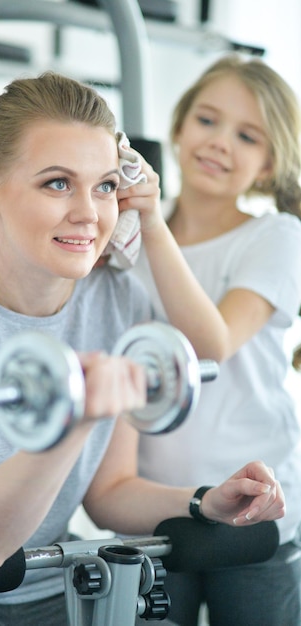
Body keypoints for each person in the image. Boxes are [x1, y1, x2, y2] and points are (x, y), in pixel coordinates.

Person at [0, 71, 284, 625]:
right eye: (56, 183)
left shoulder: (115, 298)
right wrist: (75, 418)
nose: (89, 214)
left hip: (56, 592)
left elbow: (110, 491)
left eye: (102, 186)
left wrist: (201, 501)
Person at [134, 54, 301, 626]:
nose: (219, 142)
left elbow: (213, 343)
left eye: (246, 135)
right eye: (206, 120)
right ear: (178, 127)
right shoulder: (121, 237)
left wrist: (152, 226)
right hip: (149, 510)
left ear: (268, 164)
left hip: (254, 517)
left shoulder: (275, 237)